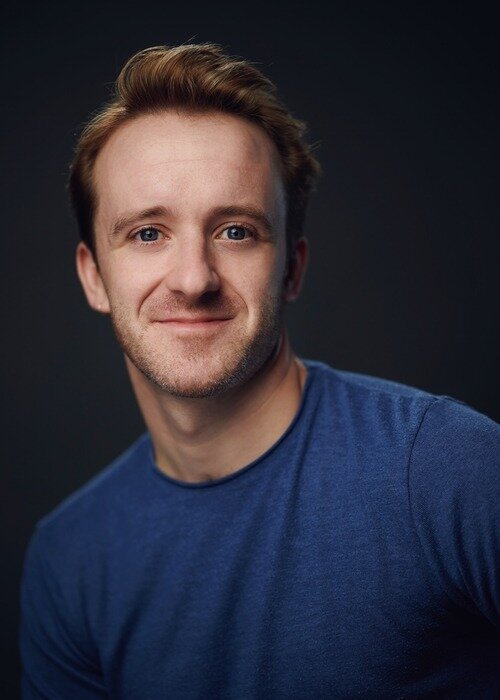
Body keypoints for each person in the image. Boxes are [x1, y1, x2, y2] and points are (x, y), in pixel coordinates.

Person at [20, 43, 499, 699]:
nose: (194, 280)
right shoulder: (69, 559)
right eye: (148, 233)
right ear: (94, 276)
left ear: (292, 269)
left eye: (236, 231)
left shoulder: (447, 468)